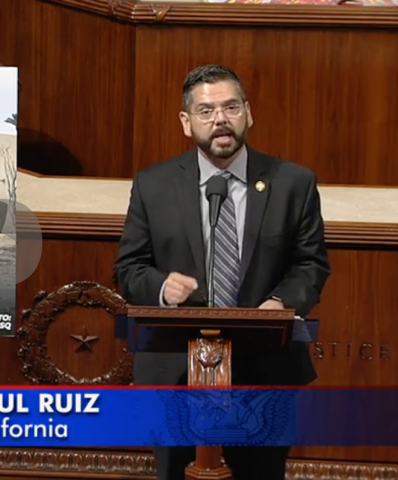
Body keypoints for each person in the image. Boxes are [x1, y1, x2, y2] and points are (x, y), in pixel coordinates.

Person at [114, 64, 331, 480]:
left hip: (265, 369)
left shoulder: (293, 183)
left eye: (231, 107)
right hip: (176, 371)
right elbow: (128, 268)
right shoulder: (153, 185)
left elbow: (311, 264)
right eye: (206, 110)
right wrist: (161, 287)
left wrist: (281, 302)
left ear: (248, 113)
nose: (220, 120)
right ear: (186, 122)